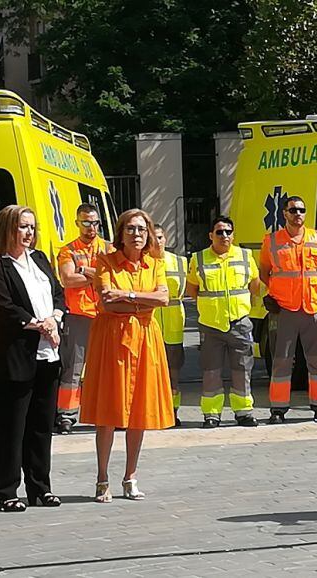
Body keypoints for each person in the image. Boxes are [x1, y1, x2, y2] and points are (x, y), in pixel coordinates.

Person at [80, 209, 174, 503]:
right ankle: (102, 477)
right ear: (121, 233)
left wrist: (129, 297)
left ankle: (130, 476)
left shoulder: (155, 263)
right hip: (112, 339)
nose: (137, 235)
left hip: (146, 339)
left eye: (142, 230)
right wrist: (141, 303)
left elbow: (163, 299)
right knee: (108, 409)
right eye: (131, 229)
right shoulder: (105, 261)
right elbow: (107, 302)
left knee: (140, 410)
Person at [0, 205, 64, 512]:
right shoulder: (1, 264)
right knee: (13, 426)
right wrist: (39, 325)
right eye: (23, 227)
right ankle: (5, 490)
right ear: (9, 228)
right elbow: (5, 307)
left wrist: (55, 318)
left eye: (32, 227)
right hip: (17, 355)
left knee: (41, 424)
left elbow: (59, 293)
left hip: (48, 354)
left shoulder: (39, 259)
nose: (28, 233)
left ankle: (40, 487)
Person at [260, 195, 317, 424]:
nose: (297, 214)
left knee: (316, 360)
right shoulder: (271, 241)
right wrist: (277, 293)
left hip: (311, 309)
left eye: (301, 210)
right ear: (284, 213)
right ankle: (278, 409)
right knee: (281, 360)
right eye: (293, 210)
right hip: (284, 310)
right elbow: (265, 272)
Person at [186, 217, 259, 428]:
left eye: (228, 232)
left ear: (233, 235)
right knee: (211, 371)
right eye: (219, 232)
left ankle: (244, 412)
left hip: (240, 323)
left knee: (242, 369)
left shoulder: (246, 256)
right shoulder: (198, 259)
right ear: (211, 236)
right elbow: (192, 290)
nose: (224, 236)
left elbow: (254, 286)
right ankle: (211, 414)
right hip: (211, 325)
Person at [55, 203, 112, 434]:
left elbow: (115, 277)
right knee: (73, 368)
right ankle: (66, 415)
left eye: (95, 222)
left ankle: (110, 412)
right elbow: (68, 279)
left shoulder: (108, 248)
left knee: (108, 367)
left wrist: (84, 271)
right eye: (86, 223)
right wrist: (98, 274)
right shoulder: (68, 250)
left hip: (105, 314)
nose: (91, 227)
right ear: (77, 223)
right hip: (78, 315)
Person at [152, 224, 187, 427]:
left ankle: (173, 412)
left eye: (160, 237)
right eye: (153, 237)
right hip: (152, 319)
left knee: (174, 370)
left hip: (174, 320)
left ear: (166, 238)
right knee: (151, 371)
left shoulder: (180, 262)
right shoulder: (143, 263)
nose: (157, 241)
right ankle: (154, 411)